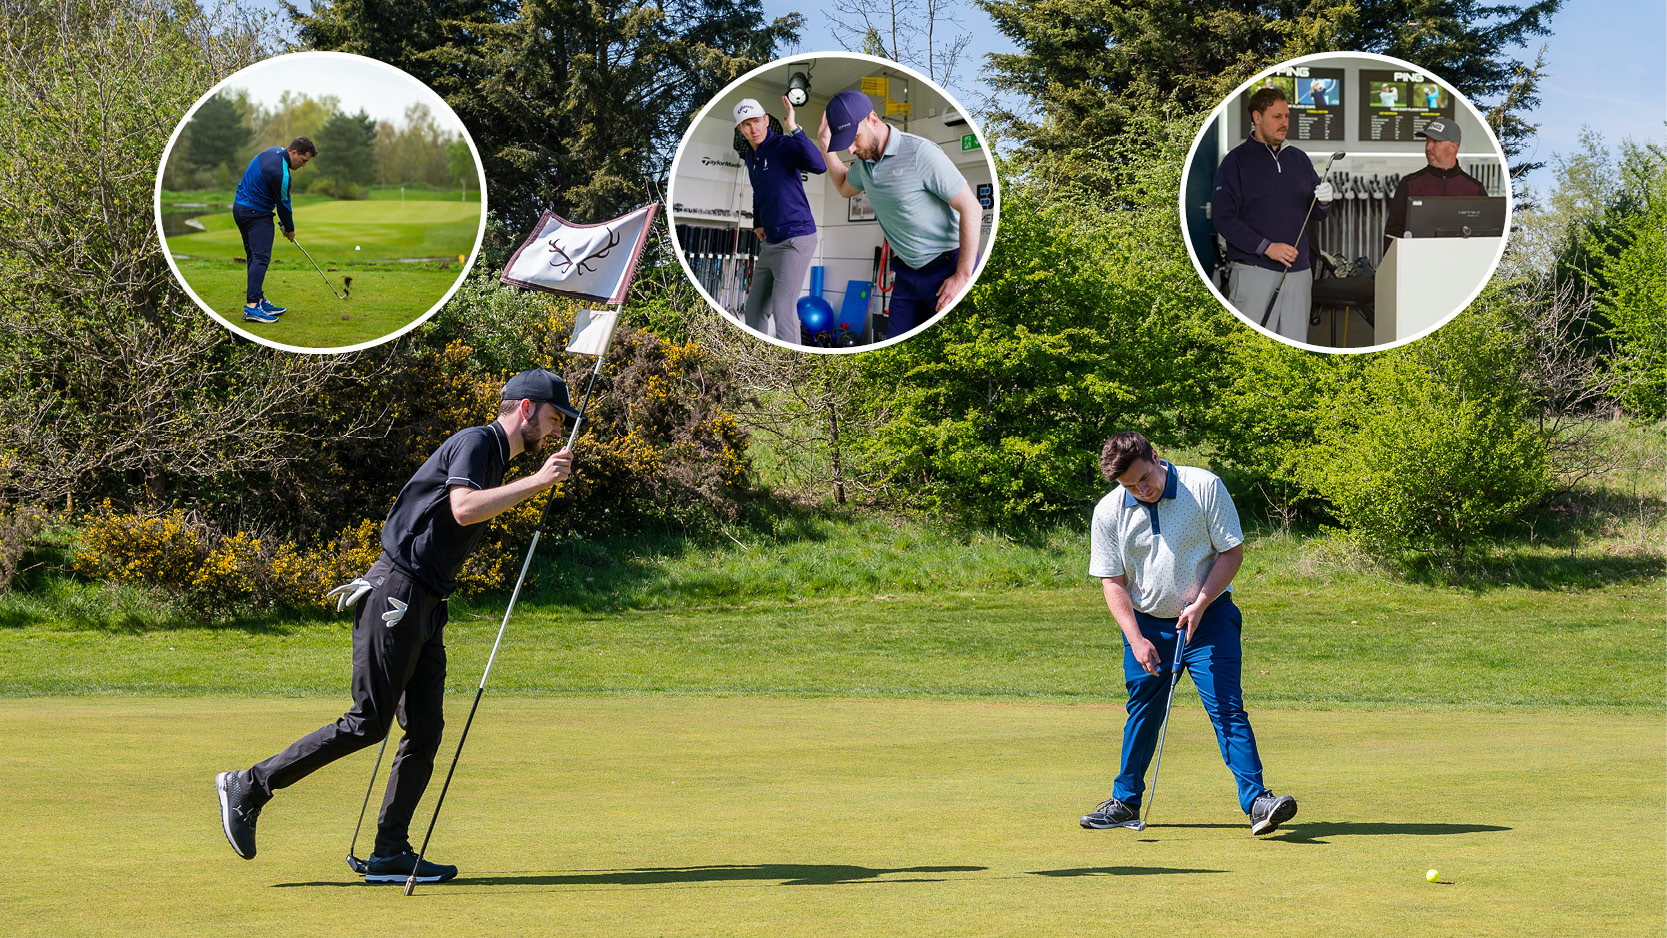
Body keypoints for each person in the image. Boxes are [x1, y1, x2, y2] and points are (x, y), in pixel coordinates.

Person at [215, 370, 580, 884]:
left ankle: (389, 851)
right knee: (368, 722)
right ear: (525, 408)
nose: (559, 426)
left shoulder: (496, 458)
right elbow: (464, 508)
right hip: (399, 593)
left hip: (427, 602)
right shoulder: (478, 443)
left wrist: (532, 481)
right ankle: (249, 785)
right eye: (554, 415)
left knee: (426, 729)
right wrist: (539, 481)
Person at [1079, 431, 1298, 836]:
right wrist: (1136, 638)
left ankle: (1257, 802)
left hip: (1209, 618)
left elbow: (1231, 551)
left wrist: (1200, 602)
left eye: (1145, 479)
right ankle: (1124, 803)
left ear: (1155, 456)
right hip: (1147, 625)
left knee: (1226, 706)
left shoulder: (1203, 487)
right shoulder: (1109, 511)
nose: (1141, 491)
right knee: (1143, 711)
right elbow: (1112, 581)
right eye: (1129, 486)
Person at [815, 89, 981, 338]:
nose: (850, 150)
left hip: (947, 268)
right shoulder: (864, 164)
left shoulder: (920, 153)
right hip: (907, 272)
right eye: (844, 142)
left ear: (872, 119)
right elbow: (843, 187)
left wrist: (964, 275)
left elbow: (972, 207)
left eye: (854, 138)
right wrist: (825, 147)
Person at [1211, 86, 1334, 342]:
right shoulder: (1235, 162)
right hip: (1254, 272)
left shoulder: (1299, 159)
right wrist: (1266, 247)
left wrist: (1324, 201)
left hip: (1299, 274)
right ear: (1257, 117)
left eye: (1287, 116)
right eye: (1277, 116)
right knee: (1250, 350)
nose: (1284, 123)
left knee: (1294, 348)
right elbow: (1223, 219)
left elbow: (1317, 214)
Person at [736, 96, 827, 344]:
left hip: (796, 238)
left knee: (783, 310)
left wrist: (795, 129)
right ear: (741, 129)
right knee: (754, 309)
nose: (753, 129)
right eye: (747, 124)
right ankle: (755, 358)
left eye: (757, 121)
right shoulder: (751, 156)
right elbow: (759, 190)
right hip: (771, 243)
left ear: (766, 120)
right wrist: (757, 222)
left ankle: (792, 362)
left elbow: (819, 165)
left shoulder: (783, 145)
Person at [232, 137, 316, 324]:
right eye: (304, 160)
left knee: (254, 256)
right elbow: (284, 206)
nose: (304, 165)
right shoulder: (282, 174)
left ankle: (259, 300)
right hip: (256, 214)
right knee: (261, 258)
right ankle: (252, 307)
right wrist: (290, 230)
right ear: (294, 153)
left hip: (239, 209)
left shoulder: (273, 151)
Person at [1382, 117, 1488, 252]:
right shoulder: (1409, 184)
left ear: (1453, 147)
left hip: (1461, 261)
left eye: (1435, 141)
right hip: (1418, 260)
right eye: (1427, 141)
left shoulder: (1474, 189)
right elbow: (1393, 233)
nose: (1428, 147)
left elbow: (1487, 235)